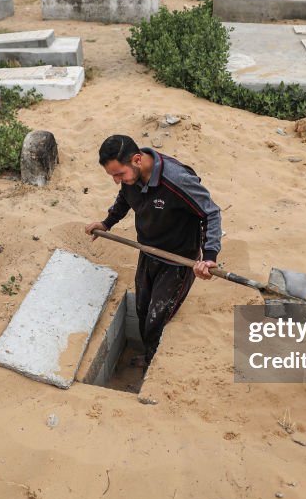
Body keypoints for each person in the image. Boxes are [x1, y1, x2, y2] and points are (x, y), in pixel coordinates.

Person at [85, 135, 222, 367]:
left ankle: (153, 363)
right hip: (148, 251)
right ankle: (148, 353)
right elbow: (125, 198)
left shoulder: (176, 180)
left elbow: (211, 212)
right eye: (112, 176)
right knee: (142, 308)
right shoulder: (131, 180)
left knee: (156, 319)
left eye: (119, 174)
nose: (117, 181)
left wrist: (209, 257)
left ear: (137, 159)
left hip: (178, 260)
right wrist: (107, 223)